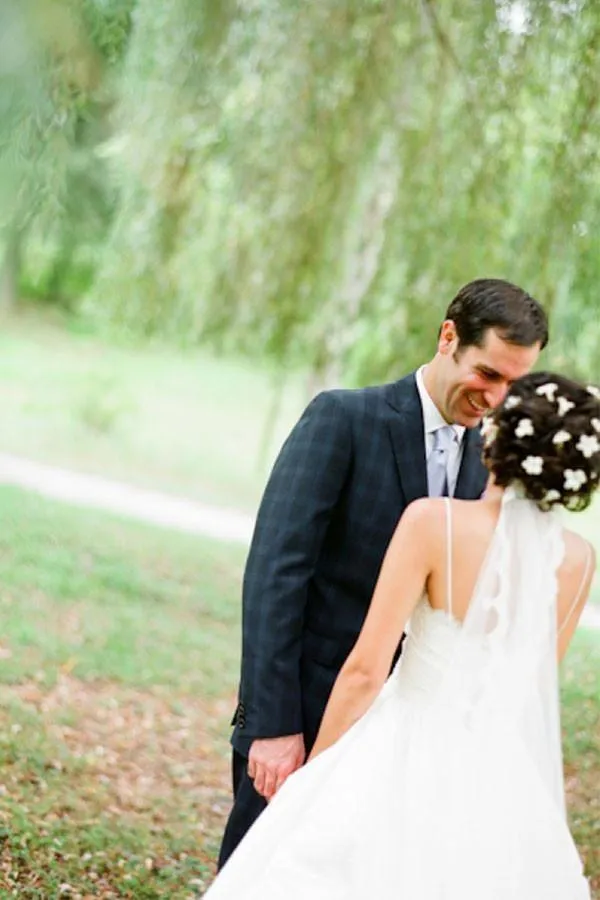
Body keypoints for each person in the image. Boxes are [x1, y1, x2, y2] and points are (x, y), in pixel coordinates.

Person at [206, 370, 599, 899]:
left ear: (499, 439)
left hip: (398, 746)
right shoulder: (577, 560)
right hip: (492, 772)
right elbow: (530, 690)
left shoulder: (433, 524)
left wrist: (313, 781)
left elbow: (365, 671)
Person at [218, 278, 548, 867]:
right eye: (488, 374)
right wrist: (272, 725)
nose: (497, 398)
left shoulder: (492, 465)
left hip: (406, 748)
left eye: (514, 385)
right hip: (306, 715)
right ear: (448, 337)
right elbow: (275, 576)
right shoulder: (344, 419)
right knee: (262, 872)